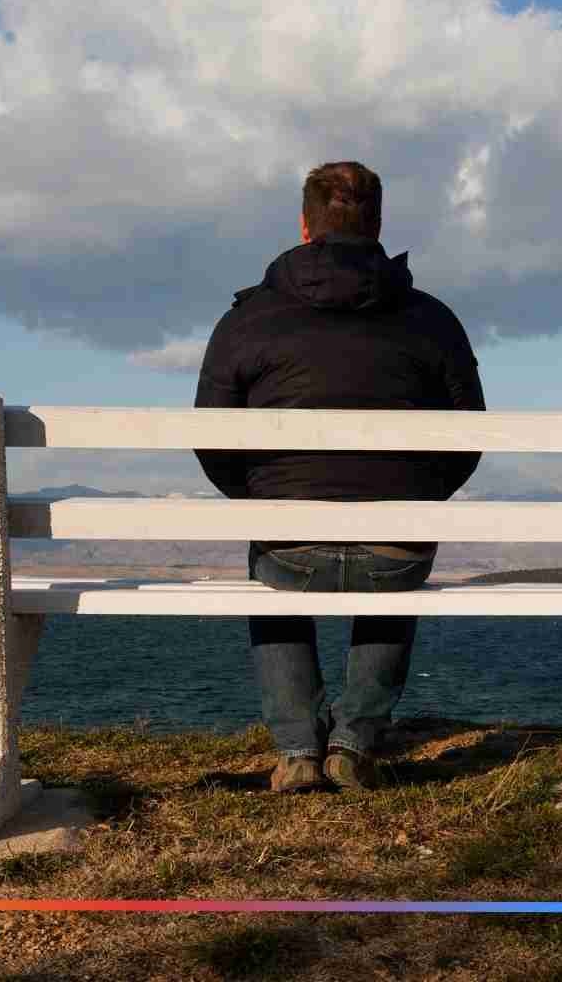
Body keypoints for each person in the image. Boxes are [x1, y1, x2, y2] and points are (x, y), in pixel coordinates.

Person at [193, 161, 486, 793]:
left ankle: (298, 750)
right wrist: (422, 501)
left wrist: (255, 503)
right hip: (393, 552)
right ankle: (354, 743)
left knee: (271, 560)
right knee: (401, 546)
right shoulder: (432, 319)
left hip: (289, 550)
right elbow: (471, 437)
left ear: (305, 227)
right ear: (378, 224)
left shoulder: (248, 319)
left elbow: (210, 439)